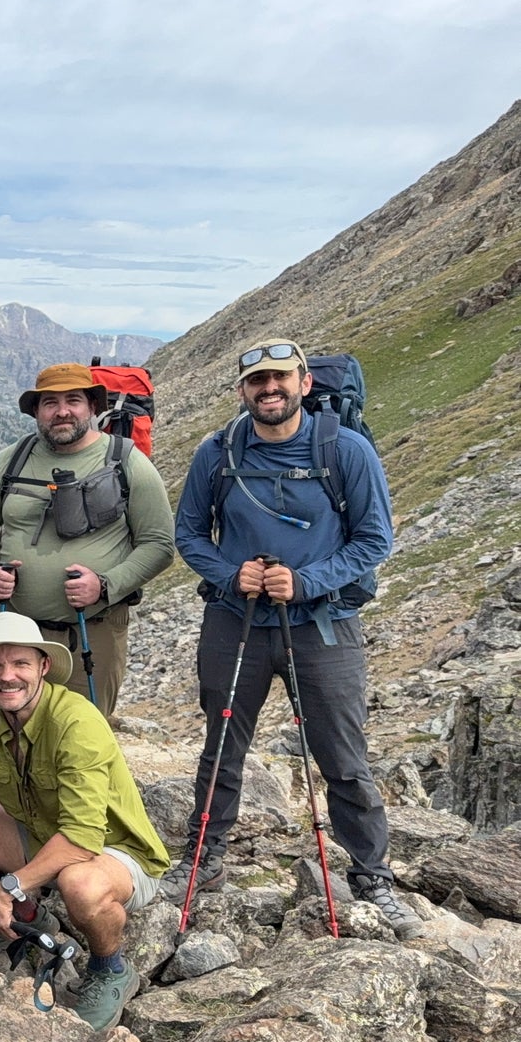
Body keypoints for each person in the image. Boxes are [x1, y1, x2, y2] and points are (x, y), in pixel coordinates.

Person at [171, 338, 411, 930]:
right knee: (222, 746)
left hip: (323, 624)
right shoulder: (217, 452)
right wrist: (231, 574)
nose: (270, 388)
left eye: (281, 378)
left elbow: (375, 539)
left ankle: (372, 875)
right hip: (236, 619)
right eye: (257, 381)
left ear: (304, 383)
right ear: (242, 391)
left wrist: (305, 583)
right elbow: (190, 535)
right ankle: (203, 859)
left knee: (343, 755)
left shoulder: (346, 449)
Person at [0, 612, 170, 1030]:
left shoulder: (77, 721)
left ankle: (110, 969)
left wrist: (8, 885)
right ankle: (27, 915)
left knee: (80, 883)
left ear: (44, 666)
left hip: (115, 851)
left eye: (21, 664)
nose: (7, 676)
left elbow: (83, 837)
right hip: (41, 837)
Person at [0, 363, 174, 716]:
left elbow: (159, 545)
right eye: (50, 403)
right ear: (36, 411)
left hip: (95, 631)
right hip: (19, 631)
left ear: (92, 406)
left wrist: (105, 585)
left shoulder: (127, 462)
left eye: (73, 400)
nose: (62, 411)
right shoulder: (9, 463)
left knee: (85, 729)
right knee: (16, 727)